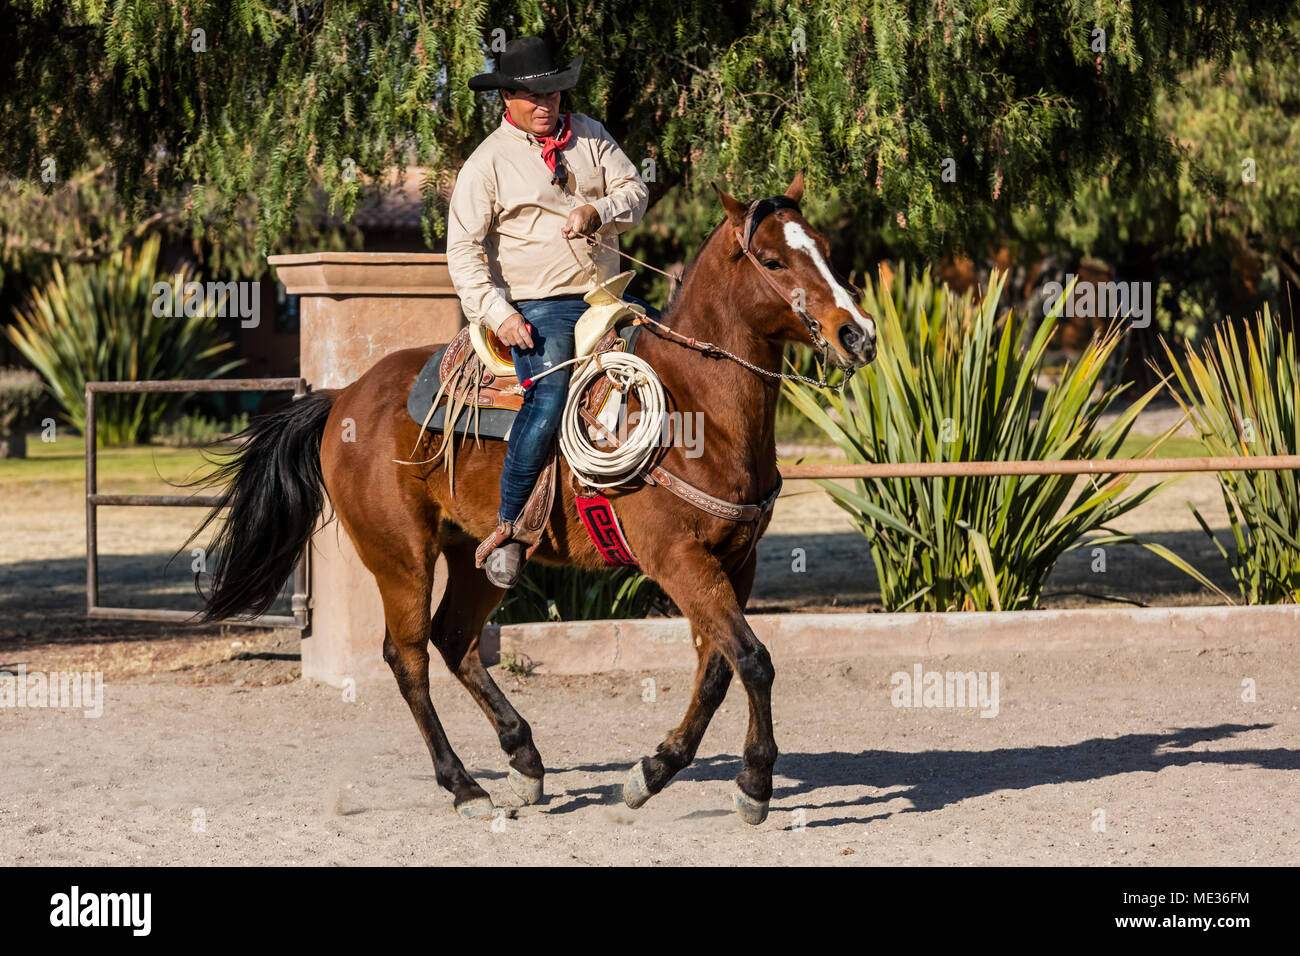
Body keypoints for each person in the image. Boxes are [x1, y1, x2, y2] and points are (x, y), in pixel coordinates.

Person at [446, 35, 650, 587]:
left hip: (610, 293)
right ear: (507, 98)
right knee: (551, 393)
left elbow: (636, 190)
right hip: (541, 305)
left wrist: (598, 209)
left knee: (678, 354)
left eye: (555, 93)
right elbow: (463, 253)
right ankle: (510, 529)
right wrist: (497, 313)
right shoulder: (485, 164)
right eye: (535, 97)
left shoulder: (591, 136)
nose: (548, 104)